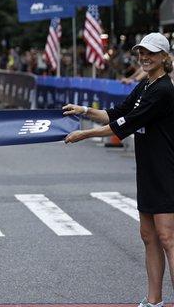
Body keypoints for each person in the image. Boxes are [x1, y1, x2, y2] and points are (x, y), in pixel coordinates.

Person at [64, 33, 174, 307]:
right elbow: (117, 113)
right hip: (147, 170)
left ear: (164, 57)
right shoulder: (145, 85)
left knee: (168, 238)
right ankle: (153, 301)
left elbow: (124, 125)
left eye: (150, 53)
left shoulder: (163, 90)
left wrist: (84, 135)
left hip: (166, 170)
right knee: (148, 237)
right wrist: (85, 110)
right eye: (140, 53)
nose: (144, 57)